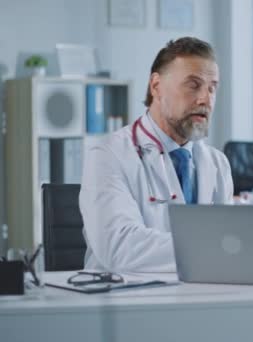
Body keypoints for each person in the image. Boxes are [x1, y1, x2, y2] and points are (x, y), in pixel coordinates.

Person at [80, 37, 233, 273]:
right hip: (127, 300)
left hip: (198, 297)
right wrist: (216, 247)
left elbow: (230, 241)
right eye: (193, 85)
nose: (206, 99)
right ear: (156, 86)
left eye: (212, 87)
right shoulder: (108, 155)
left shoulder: (217, 163)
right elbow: (120, 247)